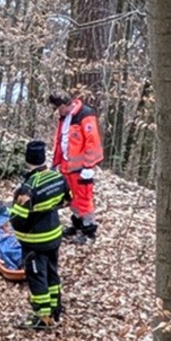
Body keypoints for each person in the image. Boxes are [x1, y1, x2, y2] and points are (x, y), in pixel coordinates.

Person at [10, 140, 72, 330]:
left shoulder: (28, 188)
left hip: (34, 241)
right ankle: (55, 308)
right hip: (54, 235)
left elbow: (18, 219)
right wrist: (47, 208)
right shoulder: (57, 177)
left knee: (37, 277)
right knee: (52, 272)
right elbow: (67, 200)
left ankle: (41, 317)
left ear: (27, 160)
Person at [49, 89, 104, 244]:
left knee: (84, 199)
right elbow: (62, 140)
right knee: (71, 198)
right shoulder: (65, 117)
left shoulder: (85, 115)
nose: (57, 112)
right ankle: (77, 224)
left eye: (58, 108)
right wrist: (56, 162)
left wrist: (88, 166)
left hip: (81, 167)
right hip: (68, 165)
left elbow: (92, 141)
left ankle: (88, 231)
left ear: (65, 105)